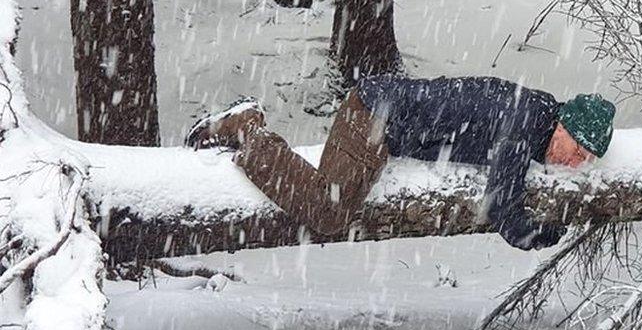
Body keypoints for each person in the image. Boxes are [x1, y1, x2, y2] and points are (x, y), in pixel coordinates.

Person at [185, 75, 615, 250]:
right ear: (562, 122)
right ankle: (247, 129)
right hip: (374, 114)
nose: (575, 162)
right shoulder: (523, 124)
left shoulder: (536, 117)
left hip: (388, 112)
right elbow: (502, 210)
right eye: (576, 148)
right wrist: (548, 235)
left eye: (586, 158)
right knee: (330, 211)